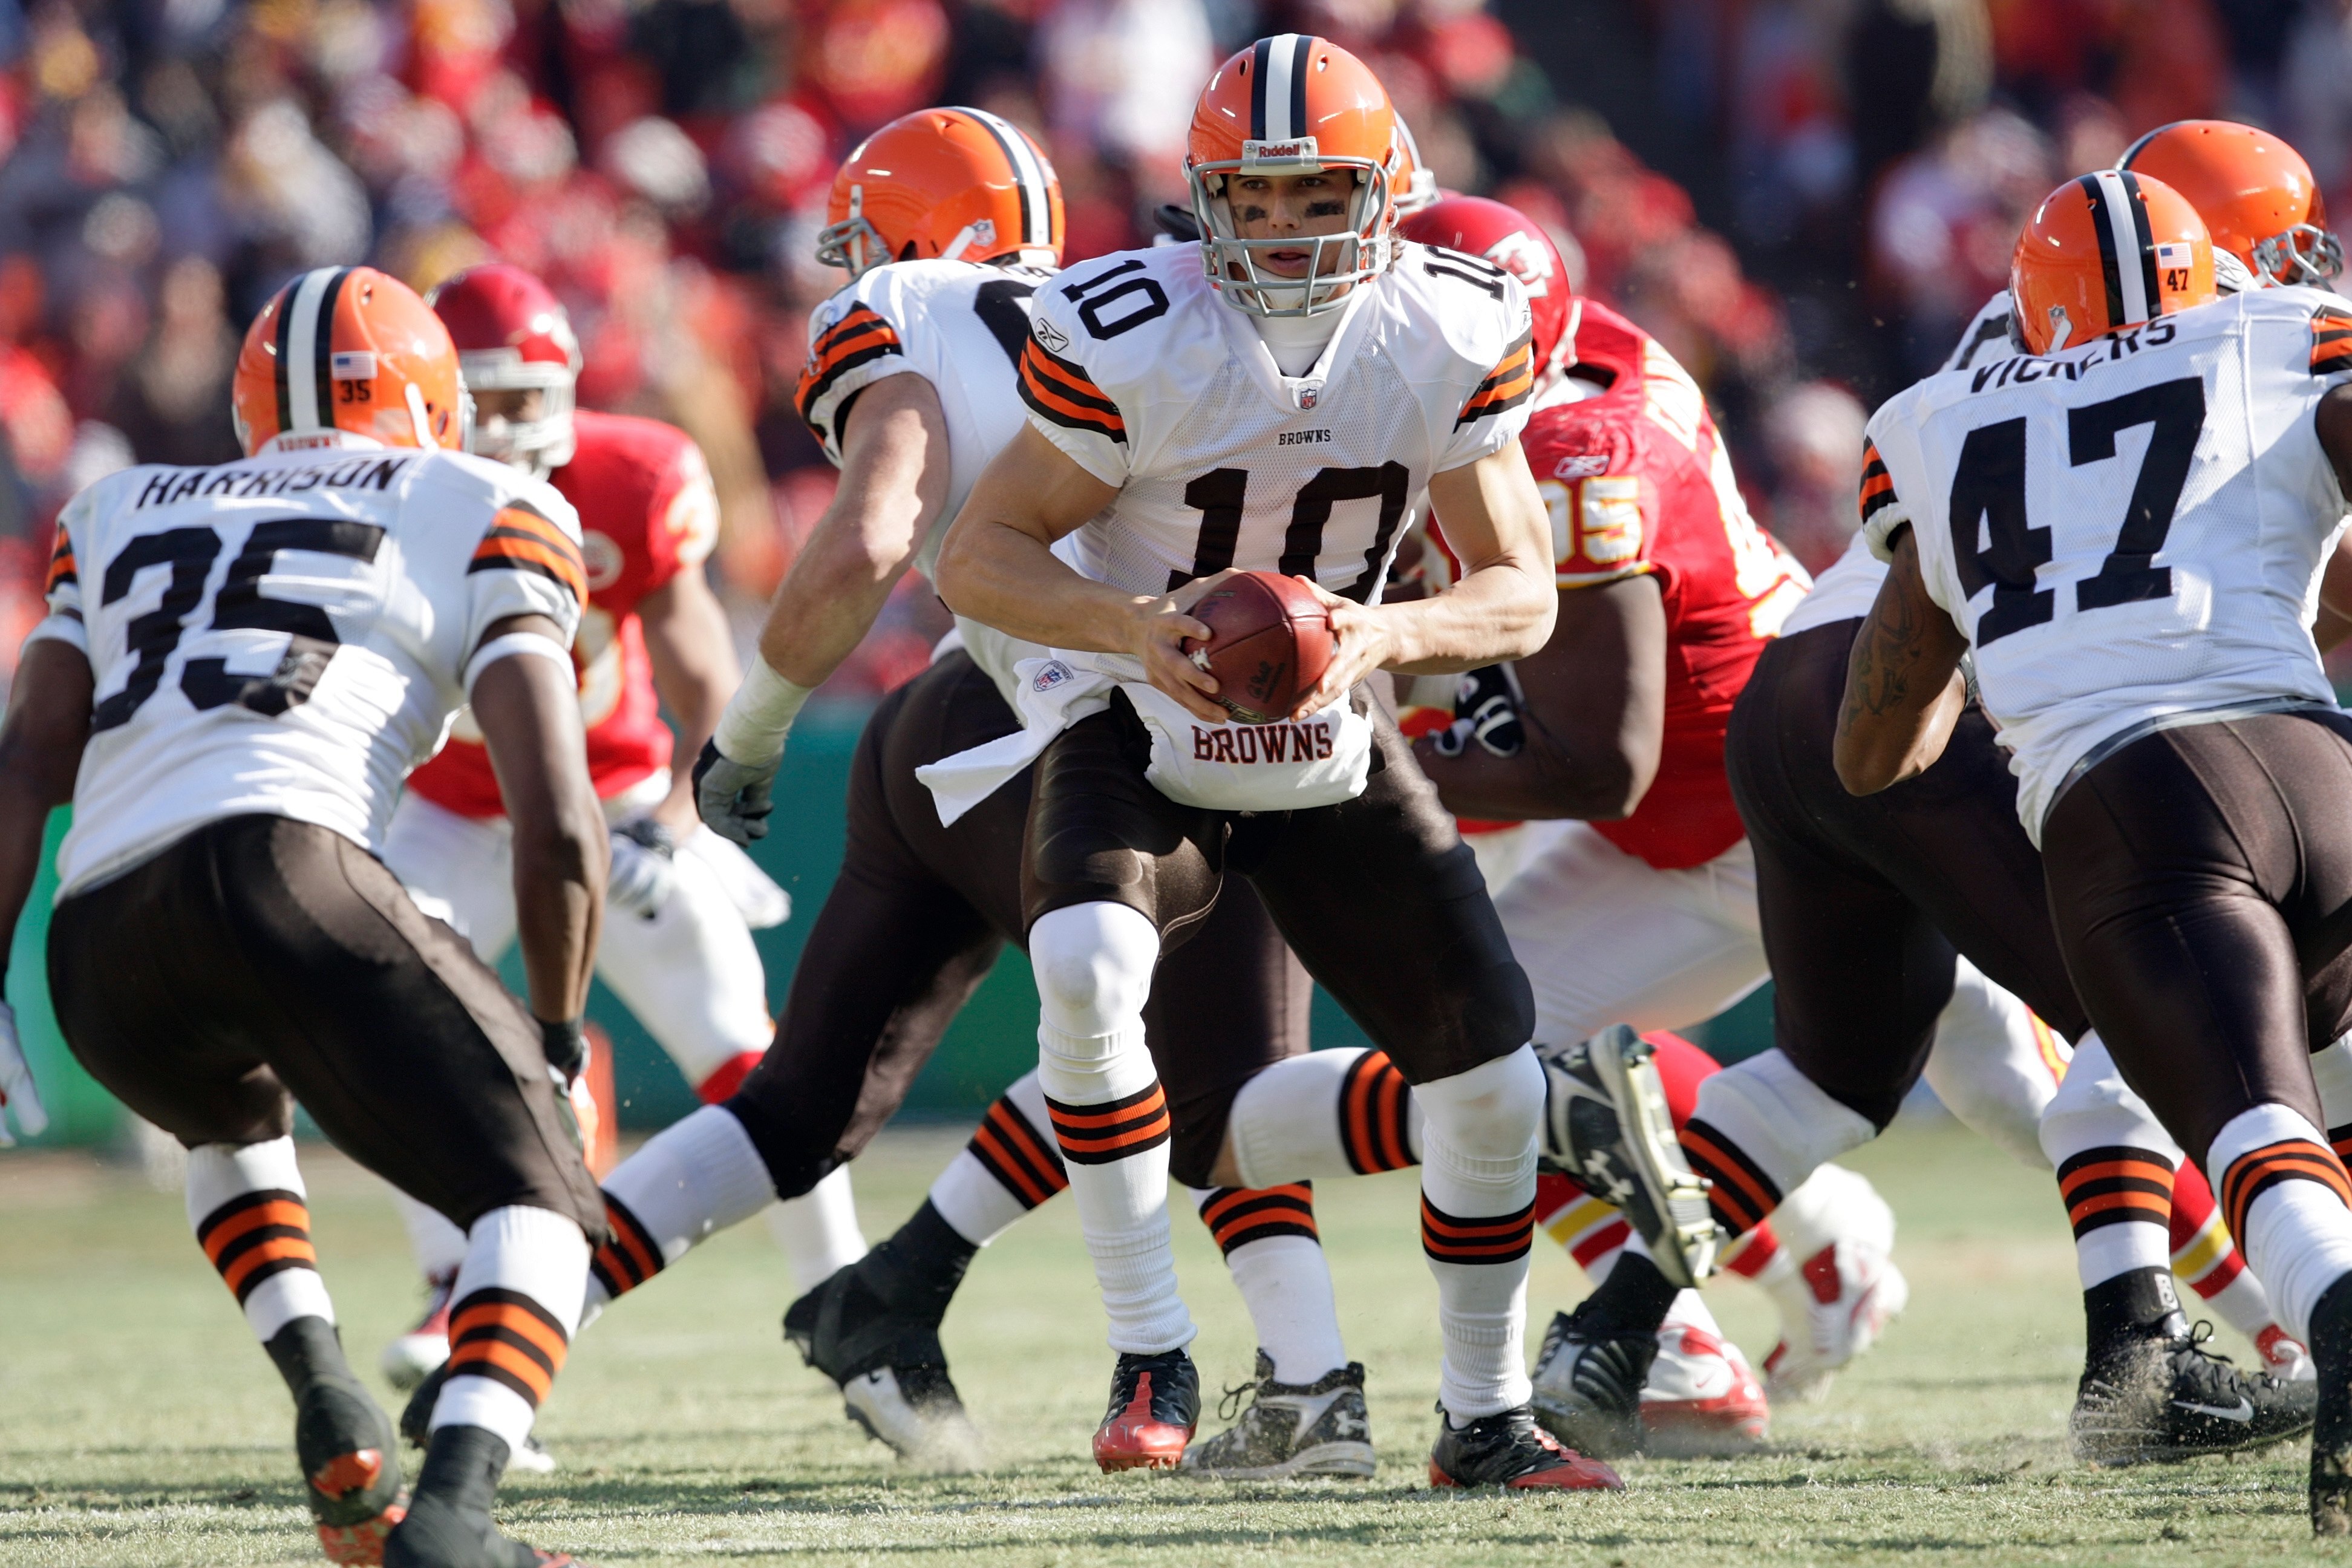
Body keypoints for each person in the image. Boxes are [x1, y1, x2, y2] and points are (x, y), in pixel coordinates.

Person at [1556, 129, 2351, 1471]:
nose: (2286, 272)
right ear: (2196, 255)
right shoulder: (2250, 341)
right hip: (1979, 697)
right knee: (2157, 1009)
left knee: (1838, 1069)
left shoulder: (2009, 345)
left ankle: (1610, 1333)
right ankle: (2137, 1359)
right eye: (2264, 251)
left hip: (1811, 687)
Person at [590, 106, 1357, 1478]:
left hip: (968, 711)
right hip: (1104, 720)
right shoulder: (1150, 298)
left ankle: (520, 1317)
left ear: (911, 236)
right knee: (1213, 1073)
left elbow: (881, 528)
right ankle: (1237, 1369)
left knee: (818, 1100)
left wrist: (754, 730)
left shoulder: (912, 306)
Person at [923, 34, 1615, 1491]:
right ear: (1205, 199)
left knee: (1488, 1071)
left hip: (1330, 723)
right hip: (1148, 707)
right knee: (1088, 971)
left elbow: (1523, 589)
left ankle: (1485, 1418)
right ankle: (1151, 1345)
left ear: (1387, 194)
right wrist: (1130, 621)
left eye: (1320, 198)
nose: (1287, 229)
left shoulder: (1448, 323)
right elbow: (975, 555)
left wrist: (1383, 632)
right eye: (1256, 198)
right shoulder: (1130, 326)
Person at [0, 265, 605, 1566]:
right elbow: (555, 818)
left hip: (97, 939)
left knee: (230, 1101)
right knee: (551, 1196)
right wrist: (552, 1035)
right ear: (434, 400)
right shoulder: (483, 500)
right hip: (289, 862)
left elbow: (27, 761)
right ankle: (452, 1524)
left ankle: (326, 1391)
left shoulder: (114, 509)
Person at [366, 261, 853, 1400]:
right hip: (455, 809)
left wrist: (684, 819)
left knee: (752, 1056)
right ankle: (454, 1280)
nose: (500, 426)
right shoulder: (392, 495)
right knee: (378, 1020)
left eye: (522, 396)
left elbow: (703, 681)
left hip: (618, 804)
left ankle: (847, 1298)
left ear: (567, 389)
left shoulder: (629, 476)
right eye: (475, 399)